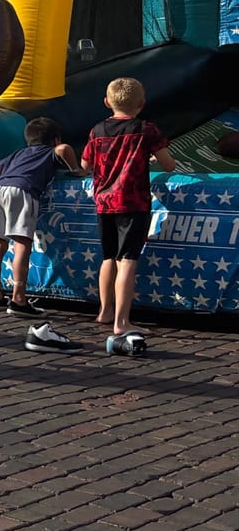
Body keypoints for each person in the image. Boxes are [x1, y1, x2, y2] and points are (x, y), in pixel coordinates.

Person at [82, 76, 174, 356]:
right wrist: (153, 159)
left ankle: (104, 311)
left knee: (108, 256)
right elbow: (170, 165)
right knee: (128, 259)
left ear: (107, 102)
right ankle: (122, 321)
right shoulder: (147, 130)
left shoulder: (97, 130)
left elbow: (86, 164)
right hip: (133, 202)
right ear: (142, 104)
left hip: (103, 201)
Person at [0, 117, 81, 316]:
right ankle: (19, 299)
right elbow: (63, 150)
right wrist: (76, 170)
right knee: (21, 244)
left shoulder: (18, 153)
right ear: (55, 139)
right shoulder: (51, 151)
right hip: (24, 191)